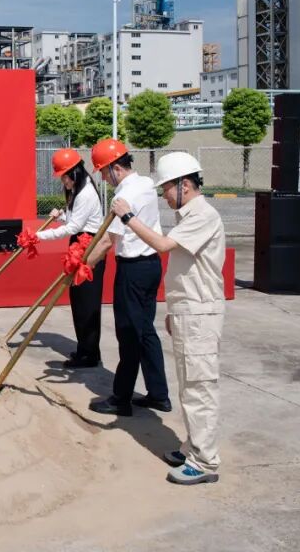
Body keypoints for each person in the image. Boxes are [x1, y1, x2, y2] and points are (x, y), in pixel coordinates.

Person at [112, 152, 225, 485]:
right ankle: (193, 448)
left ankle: (204, 461)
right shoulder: (189, 215)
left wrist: (128, 217)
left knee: (199, 389)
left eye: (166, 189)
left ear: (184, 185)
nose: (164, 196)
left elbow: (161, 246)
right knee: (189, 386)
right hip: (189, 311)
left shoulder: (202, 215)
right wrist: (175, 312)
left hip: (200, 313)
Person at [86, 138, 170, 417]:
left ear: (115, 168)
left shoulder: (123, 197)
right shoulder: (145, 184)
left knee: (129, 333)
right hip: (151, 266)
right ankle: (159, 394)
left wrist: (83, 265)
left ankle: (121, 398)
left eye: (103, 172)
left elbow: (107, 241)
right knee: (145, 331)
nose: (103, 178)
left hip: (132, 270)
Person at [36, 149, 106, 368]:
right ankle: (84, 348)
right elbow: (74, 219)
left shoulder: (85, 193)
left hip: (89, 247)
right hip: (79, 243)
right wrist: (62, 215)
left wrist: (39, 236)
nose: (63, 181)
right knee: (78, 300)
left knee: (88, 302)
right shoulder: (78, 189)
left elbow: (74, 227)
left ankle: (90, 354)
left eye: (64, 176)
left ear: (74, 172)